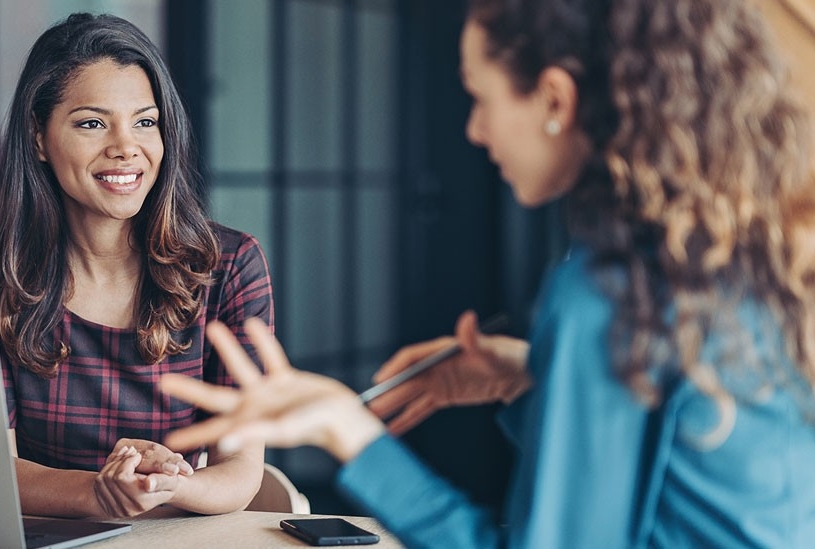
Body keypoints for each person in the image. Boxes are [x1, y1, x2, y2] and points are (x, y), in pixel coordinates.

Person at [159, 0, 815, 546]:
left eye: (480, 97)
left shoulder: (610, 287)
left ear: (554, 97)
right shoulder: (735, 247)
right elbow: (668, 479)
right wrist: (527, 382)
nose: (474, 129)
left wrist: (347, 431)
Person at [0, 13, 272, 519]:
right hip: (42, 532)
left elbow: (241, 471)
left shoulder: (228, 265)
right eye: (92, 123)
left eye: (145, 121)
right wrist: (97, 493)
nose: (126, 148)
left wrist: (166, 484)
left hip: (170, 533)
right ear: (38, 138)